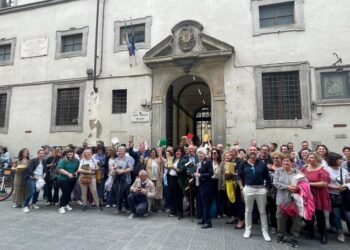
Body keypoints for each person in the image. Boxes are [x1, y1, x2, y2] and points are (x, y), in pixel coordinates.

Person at [238, 146, 272, 241]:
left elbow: (267, 177)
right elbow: (239, 176)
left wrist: (266, 189)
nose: (252, 151)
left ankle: (265, 232)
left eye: (254, 150)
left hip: (260, 189)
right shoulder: (243, 164)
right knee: (248, 211)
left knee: (262, 211)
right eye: (250, 150)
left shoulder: (262, 164)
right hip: (248, 189)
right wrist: (241, 188)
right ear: (248, 152)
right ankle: (248, 230)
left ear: (257, 152)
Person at [273, 154, 304, 248]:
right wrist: (288, 187)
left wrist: (298, 187)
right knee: (280, 218)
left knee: (296, 220)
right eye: (284, 161)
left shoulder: (298, 172)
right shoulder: (278, 171)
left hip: (295, 200)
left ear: (292, 162)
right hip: (282, 199)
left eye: (288, 161)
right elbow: (275, 183)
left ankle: (294, 238)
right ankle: (281, 235)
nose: (285, 163)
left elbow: (304, 183)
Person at [301, 152, 331, 244]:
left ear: (317, 159)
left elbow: (324, 183)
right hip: (307, 194)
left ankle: (323, 235)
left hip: (318, 194)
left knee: (320, 215)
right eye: (308, 157)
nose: (309, 159)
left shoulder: (322, 169)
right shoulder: (304, 168)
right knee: (308, 215)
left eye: (311, 157)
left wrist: (308, 184)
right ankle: (310, 232)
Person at [325, 152, 350, 243]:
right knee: (336, 215)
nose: (342, 160)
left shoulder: (344, 170)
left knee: (348, 214)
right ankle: (340, 233)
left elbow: (347, 181)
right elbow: (324, 184)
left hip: (345, 195)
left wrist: (346, 186)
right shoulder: (326, 170)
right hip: (333, 196)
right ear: (335, 160)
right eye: (340, 159)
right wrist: (335, 187)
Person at [23, 148, 47, 213]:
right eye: (40, 153)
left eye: (43, 153)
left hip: (40, 178)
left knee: (37, 191)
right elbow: (29, 169)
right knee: (32, 191)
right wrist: (35, 176)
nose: (42, 154)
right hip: (31, 177)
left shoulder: (44, 161)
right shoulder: (33, 160)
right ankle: (25, 206)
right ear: (38, 154)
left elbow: (45, 170)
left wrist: (43, 176)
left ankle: (33, 204)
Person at [56, 148, 80, 214]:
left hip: (72, 179)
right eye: (68, 152)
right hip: (62, 179)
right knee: (65, 192)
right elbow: (59, 169)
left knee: (69, 192)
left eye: (71, 152)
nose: (70, 153)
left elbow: (78, 169)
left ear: (73, 153)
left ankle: (66, 204)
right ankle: (61, 207)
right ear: (66, 154)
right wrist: (68, 174)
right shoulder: (63, 161)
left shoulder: (76, 161)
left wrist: (76, 173)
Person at [195, 147, 213, 229]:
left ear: (204, 154)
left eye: (201, 153)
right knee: (202, 204)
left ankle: (208, 222)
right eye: (198, 153)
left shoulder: (208, 161)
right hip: (201, 185)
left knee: (205, 204)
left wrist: (201, 175)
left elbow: (210, 173)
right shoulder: (200, 162)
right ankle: (203, 219)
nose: (199, 155)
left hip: (206, 185)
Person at [267, 152, 284, 235]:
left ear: (281, 159)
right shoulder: (268, 168)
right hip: (271, 193)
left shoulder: (284, 168)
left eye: (277, 158)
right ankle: (274, 226)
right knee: (272, 210)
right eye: (274, 158)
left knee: (282, 211)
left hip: (282, 193)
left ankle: (282, 227)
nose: (275, 159)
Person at [167, 146, 187, 219]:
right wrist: (168, 167)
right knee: (171, 196)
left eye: (179, 151)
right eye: (176, 151)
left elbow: (181, 170)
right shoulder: (173, 159)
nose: (178, 152)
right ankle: (173, 211)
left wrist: (173, 168)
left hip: (178, 180)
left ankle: (180, 213)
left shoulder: (183, 160)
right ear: (174, 153)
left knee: (178, 197)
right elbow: (169, 168)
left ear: (182, 153)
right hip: (171, 178)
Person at [113, 146, 133, 214]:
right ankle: (119, 209)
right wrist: (116, 169)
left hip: (126, 179)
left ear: (124, 152)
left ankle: (128, 208)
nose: (120, 152)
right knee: (118, 194)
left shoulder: (128, 159)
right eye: (119, 150)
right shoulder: (116, 159)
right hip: (117, 179)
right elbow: (115, 167)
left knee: (126, 194)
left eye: (121, 151)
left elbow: (131, 168)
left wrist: (123, 171)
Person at [144, 148, 163, 212]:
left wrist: (161, 176)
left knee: (157, 193)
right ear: (149, 153)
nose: (153, 153)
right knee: (150, 193)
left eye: (154, 152)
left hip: (157, 179)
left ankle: (158, 207)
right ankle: (151, 207)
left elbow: (161, 168)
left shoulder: (158, 160)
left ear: (156, 153)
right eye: (151, 152)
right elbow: (142, 164)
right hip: (149, 179)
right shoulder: (147, 159)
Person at [211, 148, 225, 218]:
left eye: (215, 153)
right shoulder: (209, 162)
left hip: (218, 182)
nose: (213, 154)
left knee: (219, 198)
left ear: (218, 154)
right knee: (212, 197)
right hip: (211, 182)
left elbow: (223, 173)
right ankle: (212, 212)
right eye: (212, 153)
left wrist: (223, 184)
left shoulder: (221, 162)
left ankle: (219, 213)